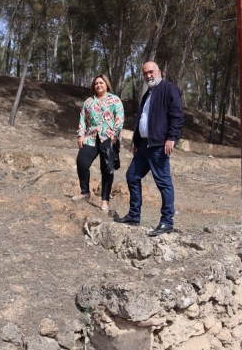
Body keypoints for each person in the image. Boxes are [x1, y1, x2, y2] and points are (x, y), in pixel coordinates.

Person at [114, 61, 184, 236]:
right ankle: (134, 216)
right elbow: (142, 120)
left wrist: (171, 138)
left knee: (163, 183)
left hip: (159, 145)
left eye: (151, 72)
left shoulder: (169, 89)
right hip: (144, 146)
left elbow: (177, 115)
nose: (148, 76)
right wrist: (136, 142)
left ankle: (167, 222)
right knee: (132, 176)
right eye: (145, 73)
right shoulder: (148, 94)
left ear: (159, 71)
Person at [73, 74, 124, 211]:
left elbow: (119, 118)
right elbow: (83, 119)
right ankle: (85, 192)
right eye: (96, 83)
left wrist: (115, 135)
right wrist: (81, 135)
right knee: (81, 162)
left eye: (101, 83)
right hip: (90, 137)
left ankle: (105, 200)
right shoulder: (88, 102)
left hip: (108, 137)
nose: (98, 85)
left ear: (106, 84)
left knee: (107, 168)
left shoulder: (115, 100)